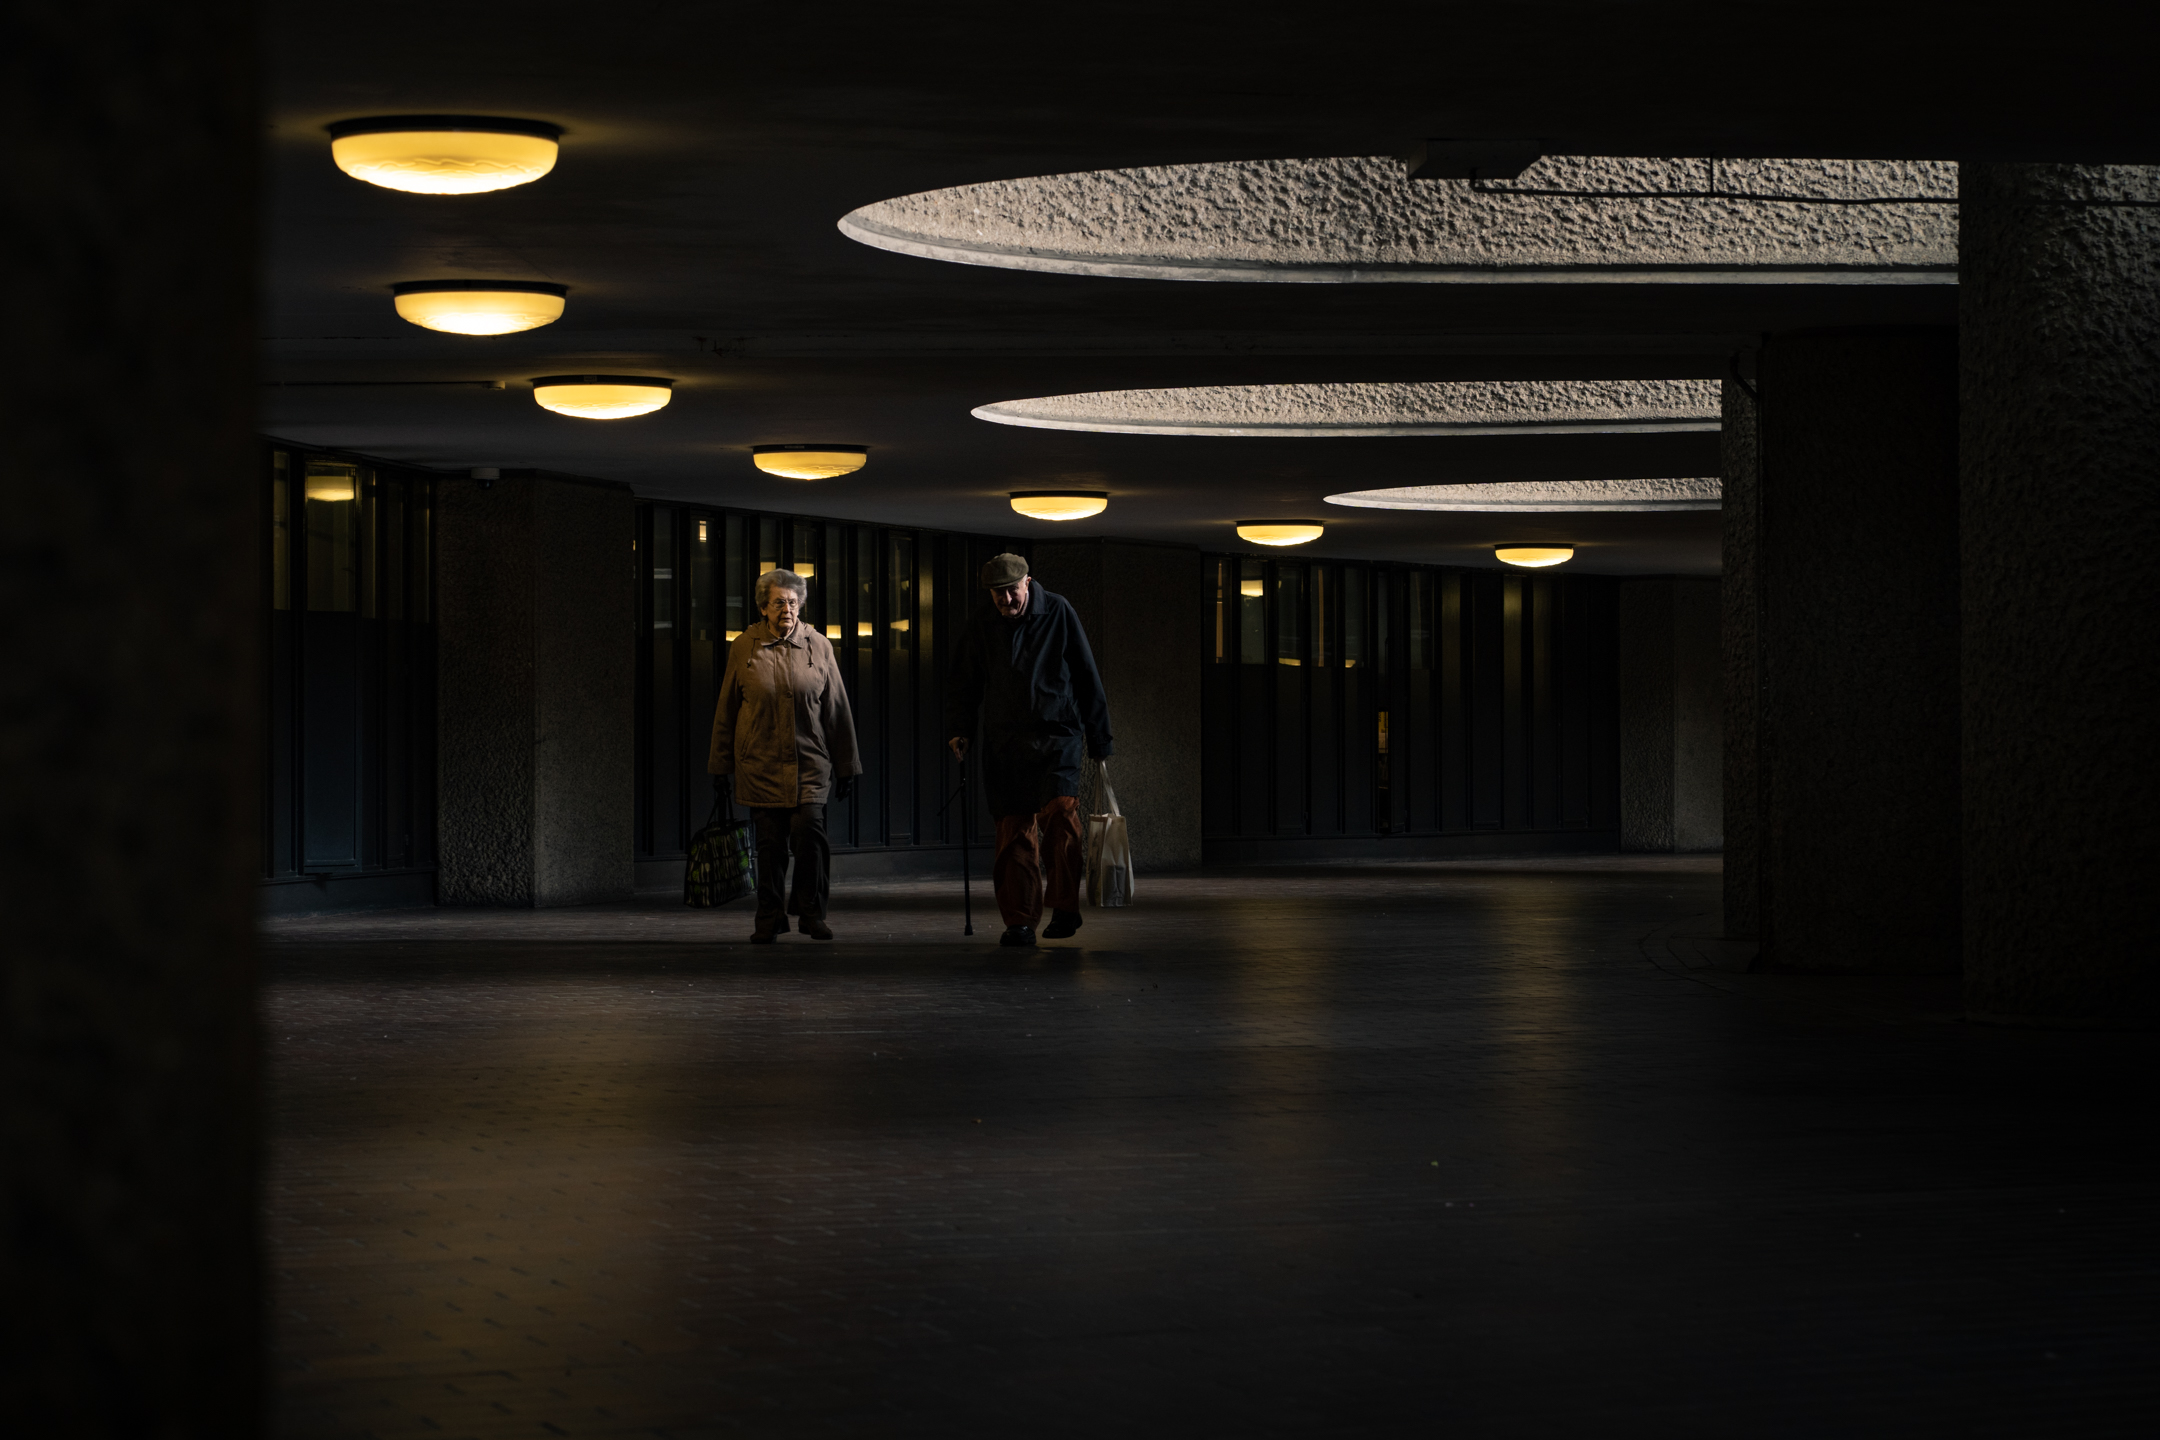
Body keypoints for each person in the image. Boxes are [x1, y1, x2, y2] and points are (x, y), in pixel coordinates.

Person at [945, 553, 1114, 947]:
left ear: (1028, 583)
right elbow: (964, 681)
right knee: (1013, 832)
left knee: (1060, 819)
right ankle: (1019, 920)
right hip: (1005, 743)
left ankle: (1065, 906)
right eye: (997, 594)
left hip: (1058, 736)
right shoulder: (982, 623)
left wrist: (1099, 738)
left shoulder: (1057, 610)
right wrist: (960, 730)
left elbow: (1087, 675)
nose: (1006, 600)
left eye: (1011, 591)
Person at [709, 568, 862, 943]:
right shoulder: (745, 647)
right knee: (770, 846)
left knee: (810, 835)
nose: (787, 610)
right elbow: (726, 709)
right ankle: (769, 917)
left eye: (793, 603)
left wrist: (847, 766)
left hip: (810, 763)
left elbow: (837, 709)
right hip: (759, 764)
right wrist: (720, 766)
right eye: (779, 603)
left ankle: (811, 913)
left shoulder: (819, 646)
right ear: (763, 607)